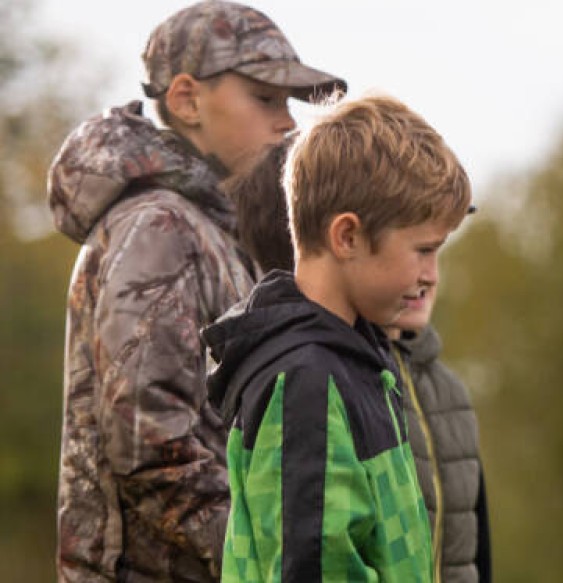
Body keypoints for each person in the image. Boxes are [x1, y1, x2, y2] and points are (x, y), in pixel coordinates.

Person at [46, 1, 343, 579]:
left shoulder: (216, 229)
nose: (287, 122)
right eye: (265, 98)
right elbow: (149, 446)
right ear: (186, 100)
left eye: (288, 103)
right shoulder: (160, 228)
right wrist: (271, 558)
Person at [202, 93, 471, 581]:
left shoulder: (359, 359)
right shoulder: (305, 382)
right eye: (423, 250)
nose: (430, 274)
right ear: (346, 236)